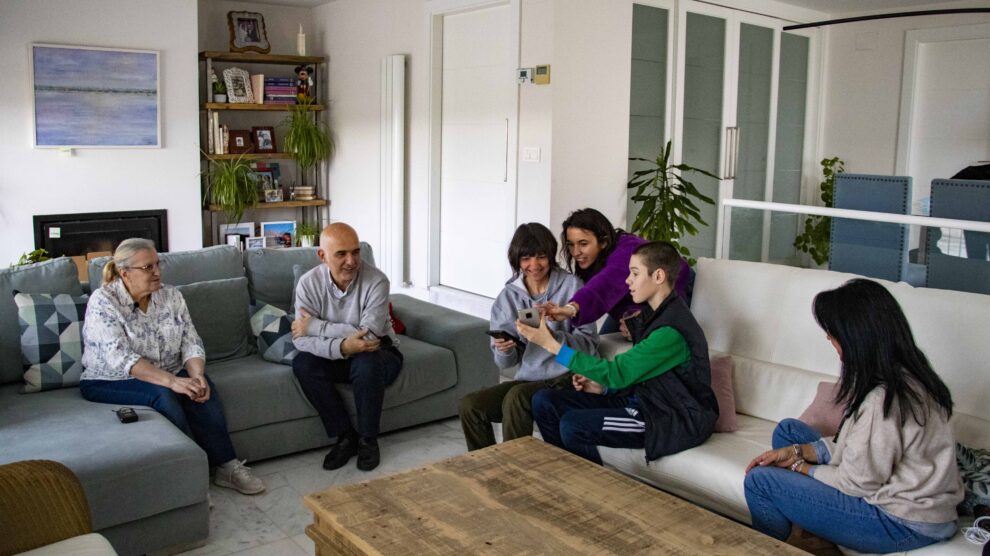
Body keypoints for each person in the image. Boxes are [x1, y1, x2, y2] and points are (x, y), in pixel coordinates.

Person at [743, 279, 964, 553]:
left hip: (902, 521)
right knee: (789, 432)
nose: (828, 338)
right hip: (910, 499)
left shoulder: (883, 400)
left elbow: (856, 482)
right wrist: (798, 451)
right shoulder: (908, 375)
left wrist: (800, 467)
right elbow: (861, 446)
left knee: (761, 481)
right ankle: (812, 536)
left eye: (832, 332)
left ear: (856, 336)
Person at [78, 238, 265, 495]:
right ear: (125, 273)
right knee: (166, 394)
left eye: (158, 264)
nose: (157, 272)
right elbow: (120, 359)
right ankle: (190, 478)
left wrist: (195, 375)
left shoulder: (171, 295)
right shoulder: (103, 302)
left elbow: (191, 342)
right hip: (110, 379)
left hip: (168, 368)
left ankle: (226, 466)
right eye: (148, 267)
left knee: (201, 388)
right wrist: (172, 381)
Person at [518, 241, 718, 465]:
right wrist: (602, 388)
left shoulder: (671, 331)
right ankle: (565, 475)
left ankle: (588, 490)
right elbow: (642, 374)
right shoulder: (652, 316)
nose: (627, 281)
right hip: (647, 400)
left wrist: (551, 345)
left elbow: (617, 373)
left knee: (573, 425)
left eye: (634, 274)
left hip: (670, 416)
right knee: (544, 401)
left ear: (659, 276)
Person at [458, 223, 599, 451]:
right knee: (471, 405)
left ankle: (515, 473)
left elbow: (590, 345)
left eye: (541, 257)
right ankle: (487, 469)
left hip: (567, 375)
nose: (534, 265)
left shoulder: (572, 287)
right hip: (529, 378)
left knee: (517, 397)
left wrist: (551, 337)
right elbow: (506, 363)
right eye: (526, 259)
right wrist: (504, 349)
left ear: (551, 256)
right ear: (517, 260)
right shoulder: (508, 297)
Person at [291, 223, 402, 471]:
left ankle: (368, 440)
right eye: (341, 254)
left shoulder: (377, 281)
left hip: (380, 352)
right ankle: (346, 437)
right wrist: (343, 347)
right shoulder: (308, 284)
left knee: (367, 361)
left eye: (355, 252)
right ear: (322, 256)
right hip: (339, 355)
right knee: (303, 364)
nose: (351, 261)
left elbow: (370, 335)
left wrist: (317, 327)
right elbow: (300, 339)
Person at [541, 208, 695, 335]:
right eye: (571, 245)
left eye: (583, 244)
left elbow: (604, 285)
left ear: (603, 242)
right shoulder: (590, 266)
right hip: (634, 303)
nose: (576, 252)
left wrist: (571, 309)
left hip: (677, 285)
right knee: (605, 340)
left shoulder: (627, 251)